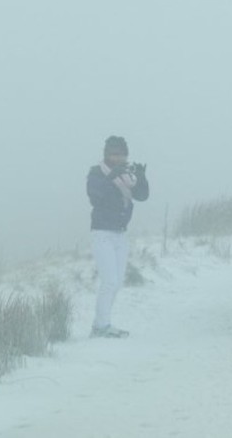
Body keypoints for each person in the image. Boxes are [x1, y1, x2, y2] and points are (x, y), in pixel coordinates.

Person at [86, 136, 149, 338]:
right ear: (106, 154)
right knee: (109, 281)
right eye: (114, 153)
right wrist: (111, 177)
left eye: (122, 154)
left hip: (121, 233)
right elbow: (96, 197)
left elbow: (141, 196)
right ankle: (100, 326)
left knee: (118, 281)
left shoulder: (127, 176)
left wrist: (142, 177)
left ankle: (103, 323)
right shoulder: (97, 173)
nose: (118, 157)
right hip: (102, 232)